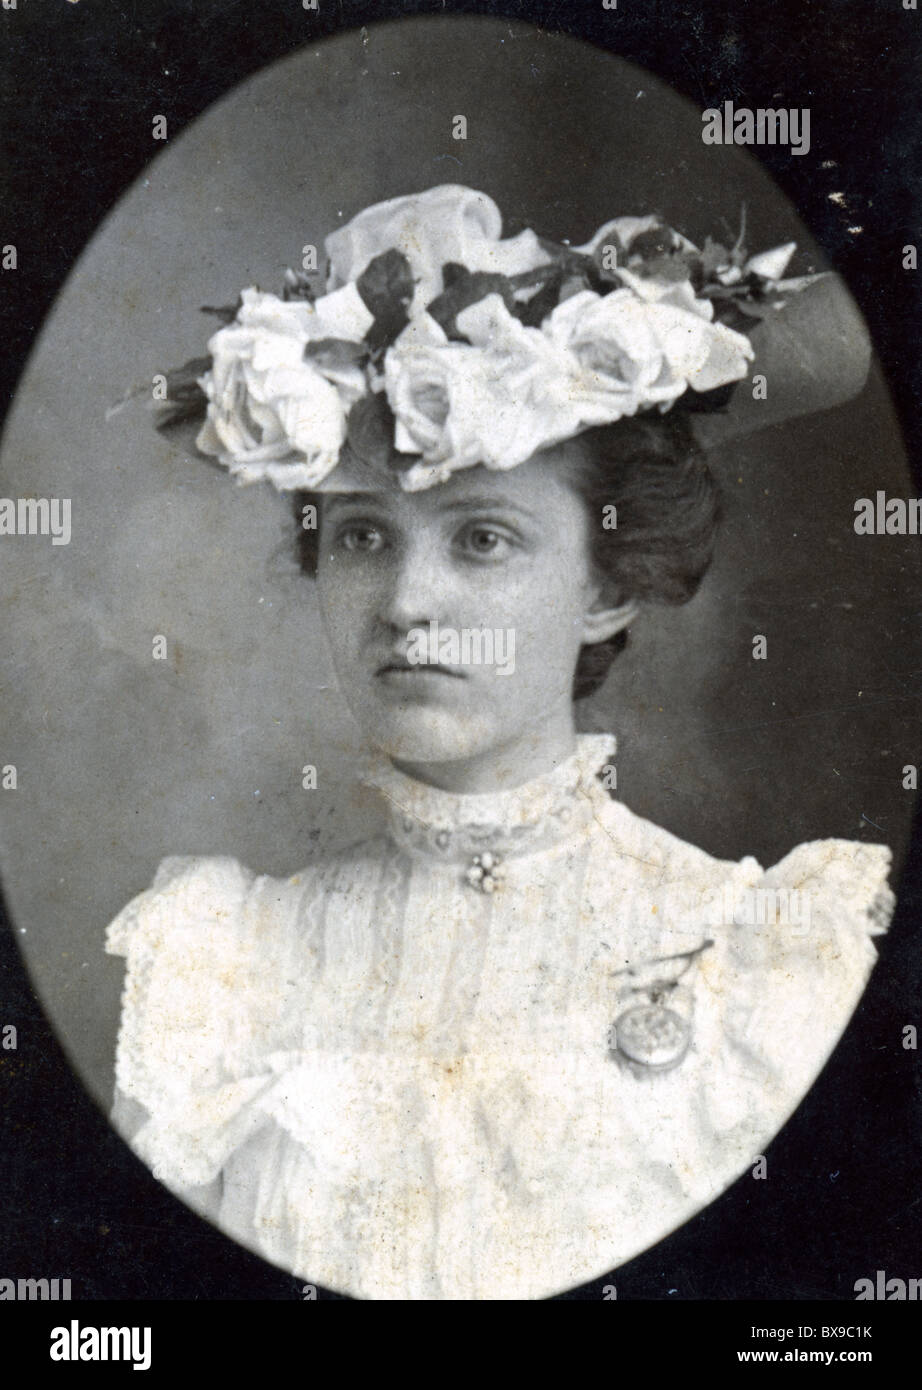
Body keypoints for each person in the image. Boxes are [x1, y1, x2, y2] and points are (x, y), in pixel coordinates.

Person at [106, 185, 894, 1300]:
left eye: (483, 537)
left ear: (608, 588)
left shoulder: (757, 960)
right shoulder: (221, 967)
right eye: (365, 535)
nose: (407, 603)